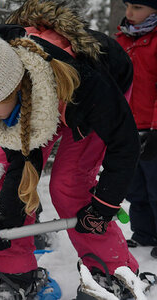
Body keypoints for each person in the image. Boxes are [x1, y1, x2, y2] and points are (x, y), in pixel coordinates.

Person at [0, 0, 147, 298]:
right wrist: (2, 223)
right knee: (2, 177)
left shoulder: (89, 86)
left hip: (83, 95)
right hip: (37, 98)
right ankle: (15, 273)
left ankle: (112, 271)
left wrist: (104, 206)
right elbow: (21, 167)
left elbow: (125, 145)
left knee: (69, 184)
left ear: (13, 88)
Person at [115, 0, 157, 259]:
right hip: (127, 128)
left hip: (153, 129)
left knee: (156, 186)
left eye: (138, 8)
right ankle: (143, 233)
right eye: (127, 6)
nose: (129, 13)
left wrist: (155, 127)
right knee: (135, 186)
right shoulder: (122, 39)